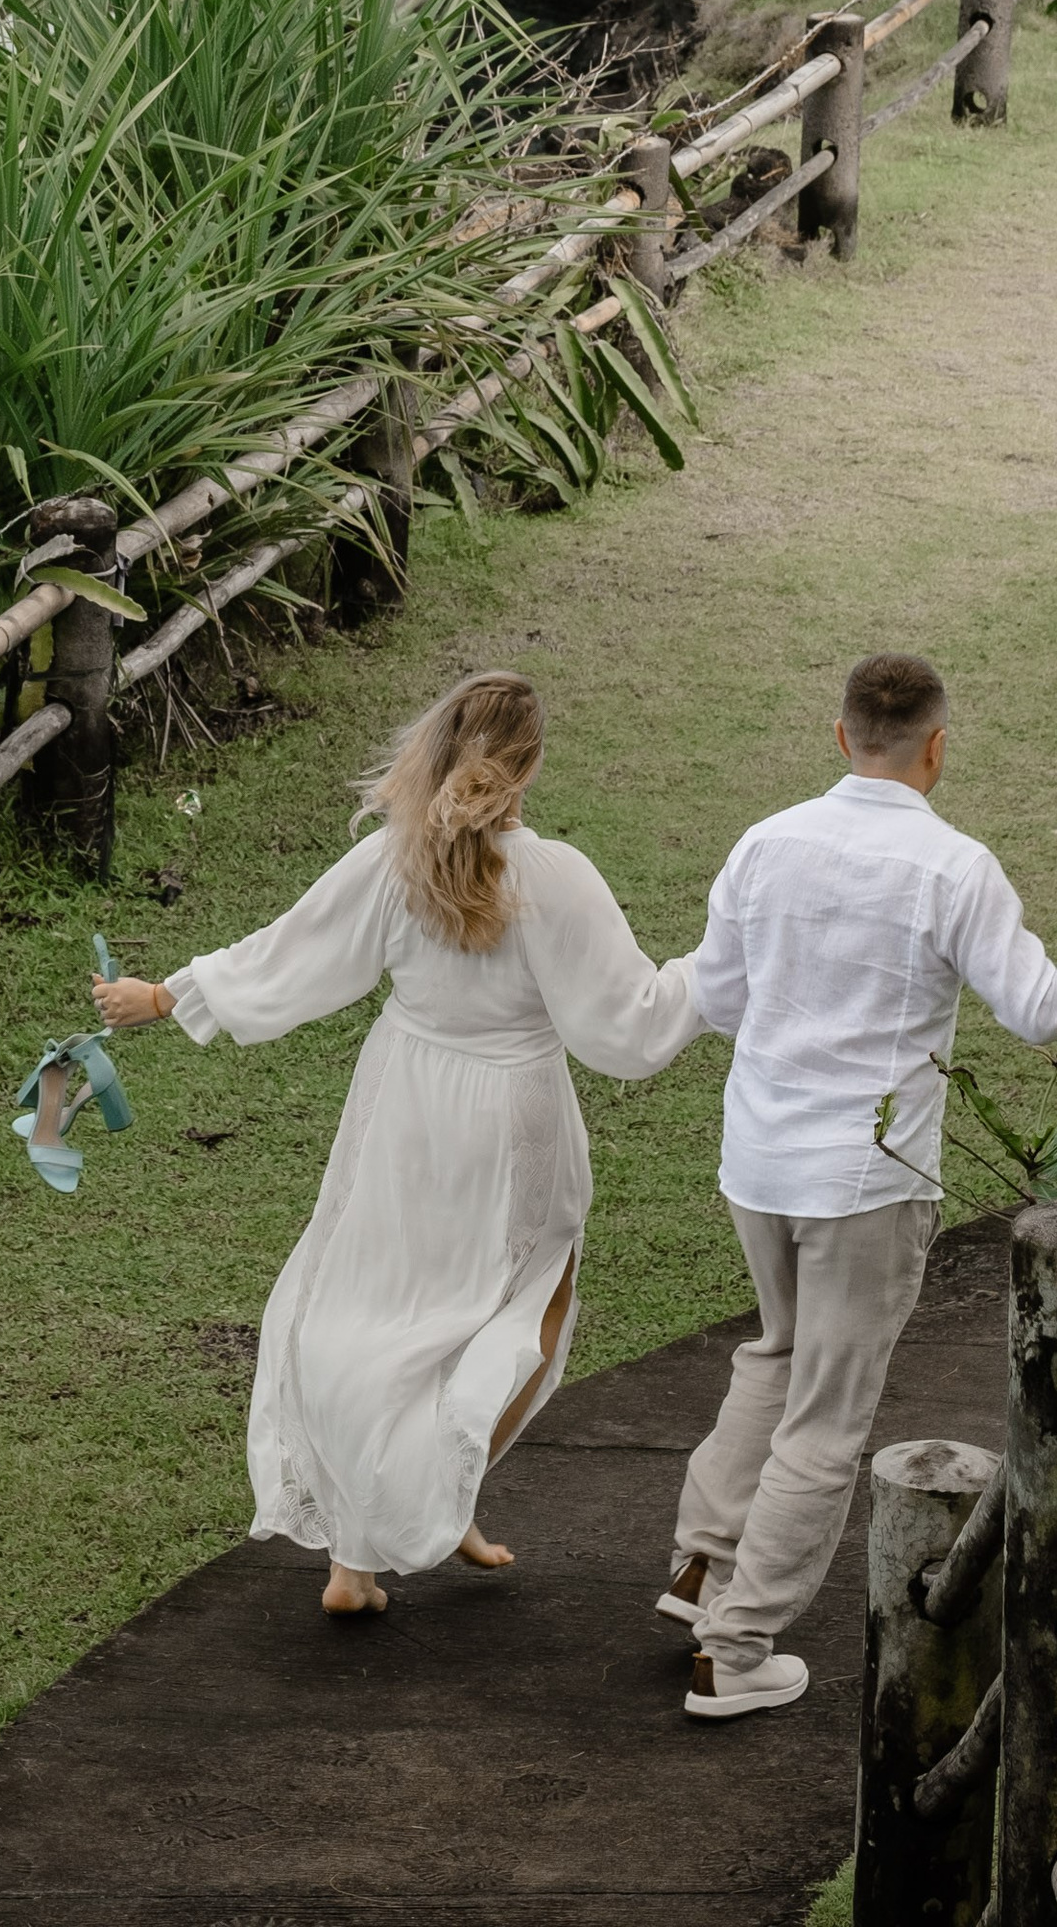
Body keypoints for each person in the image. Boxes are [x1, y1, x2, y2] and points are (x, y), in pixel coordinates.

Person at [661, 649, 1057, 1721]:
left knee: (773, 1354)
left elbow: (716, 999)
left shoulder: (763, 844)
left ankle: (701, 1565)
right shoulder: (953, 869)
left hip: (758, 1160)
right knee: (826, 1411)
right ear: (938, 749)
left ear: (840, 735)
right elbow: (1042, 1009)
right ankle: (734, 1645)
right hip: (863, 1178)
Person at [91, 669, 702, 1618]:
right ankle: (424, 1497)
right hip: (512, 1115)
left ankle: (359, 1559)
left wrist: (168, 994)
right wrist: (718, 972)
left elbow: (294, 953)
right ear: (529, 765)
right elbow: (625, 1025)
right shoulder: (551, 876)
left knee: (385, 1299)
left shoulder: (394, 860)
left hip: (404, 1100)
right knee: (523, 1306)